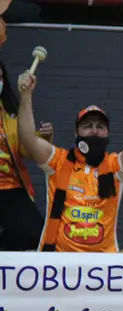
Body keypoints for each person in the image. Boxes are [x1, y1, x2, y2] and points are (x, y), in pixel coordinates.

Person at [17, 72, 123, 252]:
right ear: (76, 134)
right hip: (56, 263)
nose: (94, 131)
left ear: (107, 134)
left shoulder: (115, 167)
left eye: (100, 127)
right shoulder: (58, 161)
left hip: (102, 268)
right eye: (88, 126)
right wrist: (26, 95)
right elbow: (28, 139)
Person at [0, 59, 53, 251]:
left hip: (10, 187)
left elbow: (25, 148)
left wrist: (42, 138)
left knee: (35, 234)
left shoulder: (10, 114)